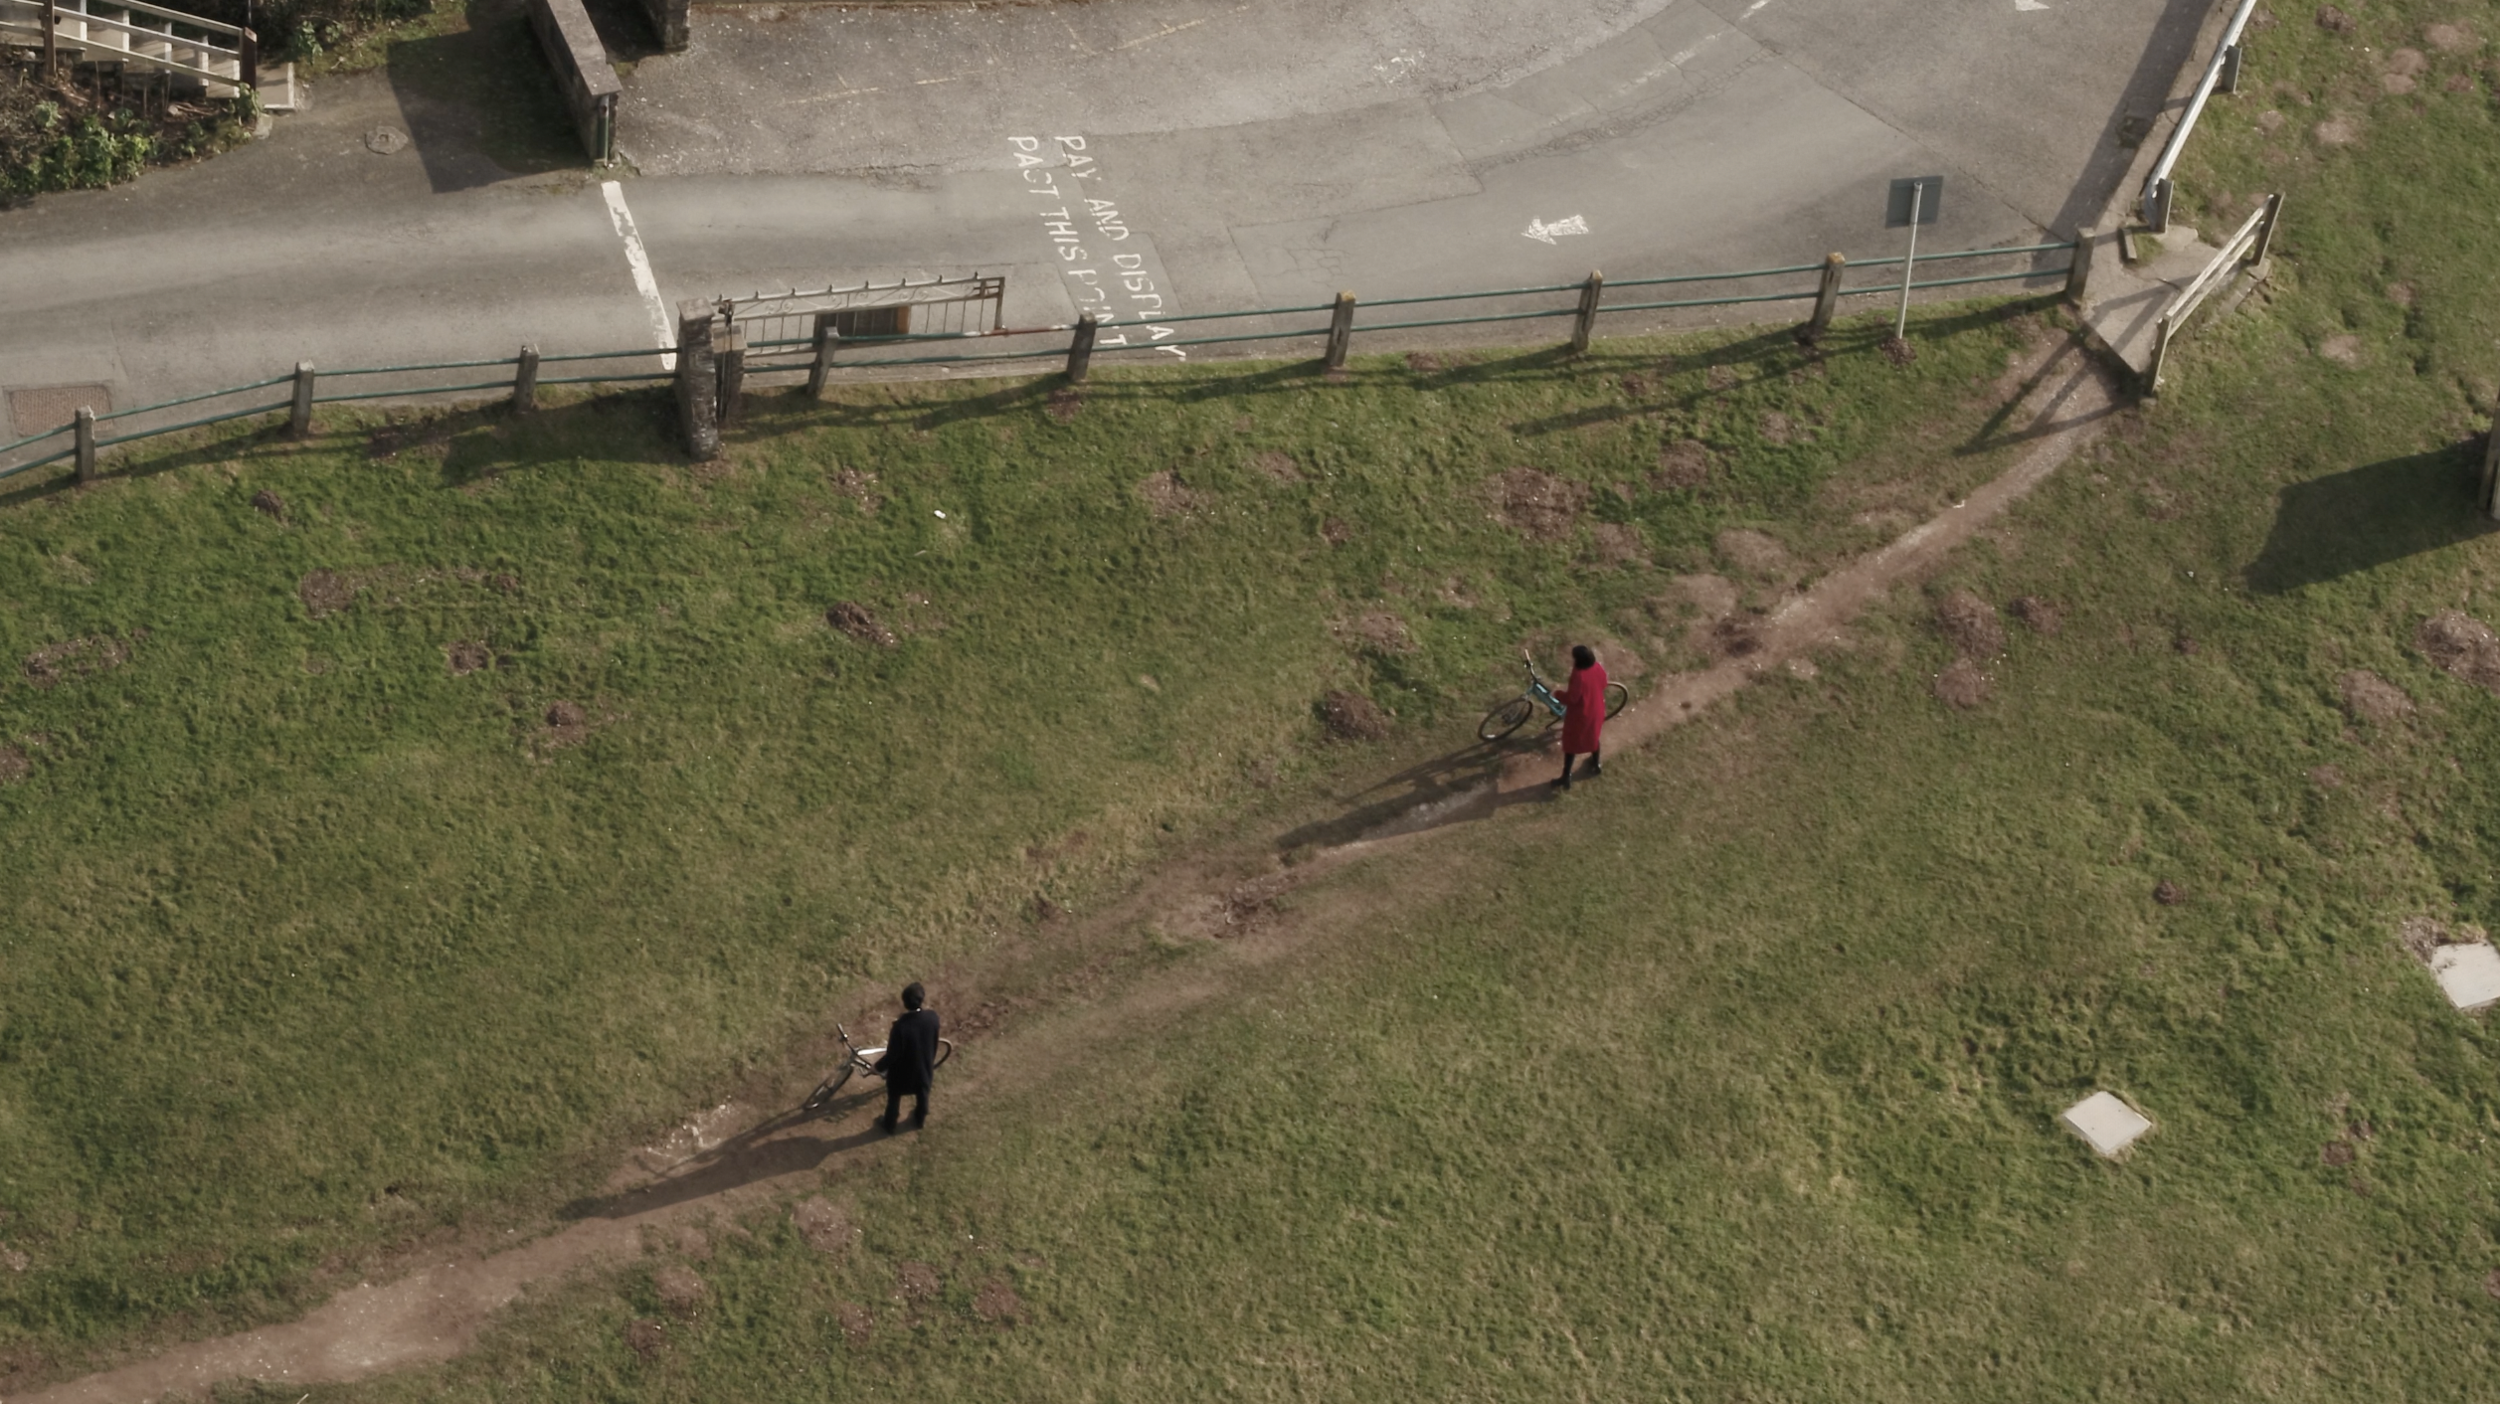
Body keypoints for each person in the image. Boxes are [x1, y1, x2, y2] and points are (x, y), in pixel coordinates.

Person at [873, 982, 941, 1132]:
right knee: (923, 1093)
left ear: (904, 1003)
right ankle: (919, 1118)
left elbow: (893, 1054)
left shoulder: (900, 1027)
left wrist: (877, 1067)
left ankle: (889, 1124)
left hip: (902, 1073)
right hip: (923, 1068)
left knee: (894, 1098)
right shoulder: (933, 1017)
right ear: (922, 1000)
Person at [1555, 644, 1607, 790]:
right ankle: (1596, 764)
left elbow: (1572, 698)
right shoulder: (1597, 667)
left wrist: (1558, 694)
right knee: (1593, 737)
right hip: (1596, 708)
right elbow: (1604, 683)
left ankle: (1566, 776)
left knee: (1571, 744)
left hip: (1581, 715)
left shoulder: (1579, 675)